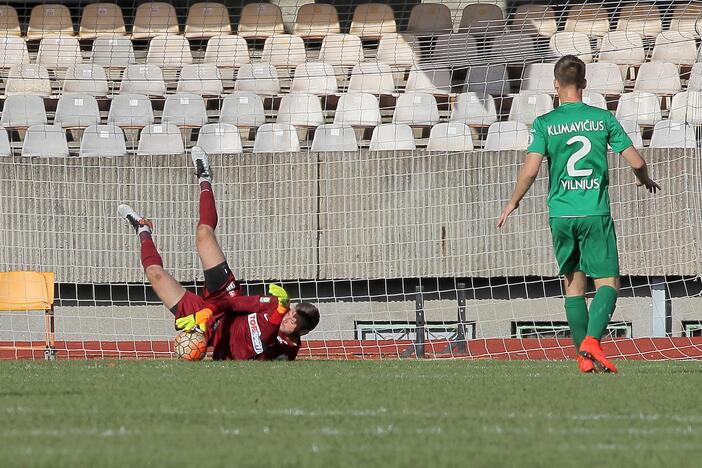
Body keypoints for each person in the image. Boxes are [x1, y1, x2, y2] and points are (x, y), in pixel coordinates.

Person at [497, 55, 660, 373]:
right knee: (608, 283)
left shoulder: (544, 123)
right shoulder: (602, 119)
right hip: (594, 212)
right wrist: (645, 179)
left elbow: (530, 171)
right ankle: (591, 343)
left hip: (560, 215)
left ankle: (584, 360)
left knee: (573, 286)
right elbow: (637, 162)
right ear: (584, 84)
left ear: (555, 84)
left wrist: (513, 203)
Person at [118, 147, 319, 360]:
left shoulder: (286, 351)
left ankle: (142, 229)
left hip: (212, 329)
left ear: (302, 331)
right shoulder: (272, 305)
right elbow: (234, 304)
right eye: (291, 313)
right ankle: (204, 178)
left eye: (294, 322)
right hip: (223, 298)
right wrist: (209, 312)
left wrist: (199, 339)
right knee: (203, 234)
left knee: (154, 273)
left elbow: (254, 354)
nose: (289, 318)